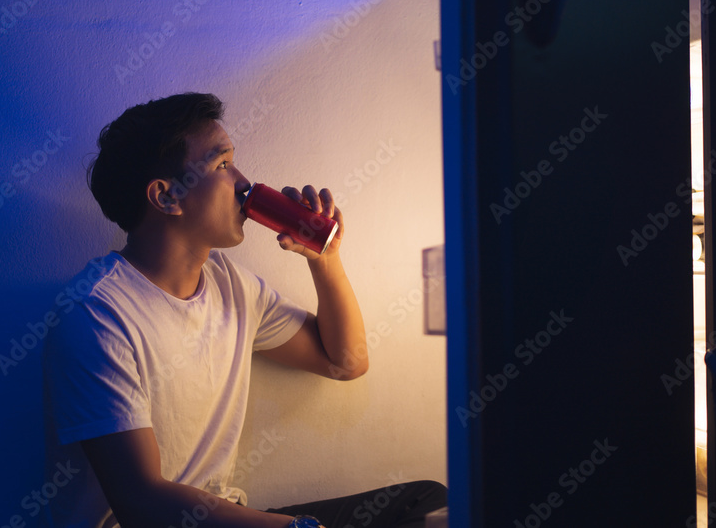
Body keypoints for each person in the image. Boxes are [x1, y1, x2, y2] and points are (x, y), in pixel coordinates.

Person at [42, 92, 446, 527]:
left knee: (426, 501)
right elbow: (142, 502)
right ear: (167, 196)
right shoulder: (97, 314)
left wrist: (324, 259)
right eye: (222, 165)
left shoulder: (229, 283)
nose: (244, 183)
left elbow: (345, 362)